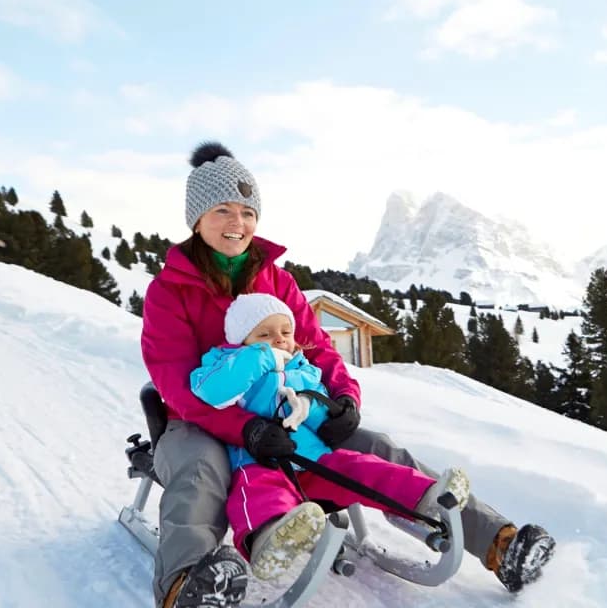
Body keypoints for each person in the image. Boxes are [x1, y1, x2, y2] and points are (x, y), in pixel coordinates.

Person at [141, 142, 554, 608]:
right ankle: (185, 586)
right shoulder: (169, 291)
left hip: (289, 413)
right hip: (199, 420)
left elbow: (317, 348)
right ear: (197, 219)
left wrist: (343, 398)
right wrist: (245, 427)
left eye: (247, 212)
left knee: (378, 448)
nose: (237, 222)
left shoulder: (277, 281)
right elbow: (177, 383)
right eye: (222, 210)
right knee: (201, 471)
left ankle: (499, 543)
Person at [190, 292, 470, 581]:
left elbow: (322, 411)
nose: (279, 340)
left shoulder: (301, 367)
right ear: (240, 339)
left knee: (358, 467)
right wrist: (262, 355)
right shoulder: (227, 361)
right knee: (259, 493)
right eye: (264, 334)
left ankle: (425, 496)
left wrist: (311, 406)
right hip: (257, 460)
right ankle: (271, 541)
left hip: (312, 458)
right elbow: (211, 392)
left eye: (285, 332)